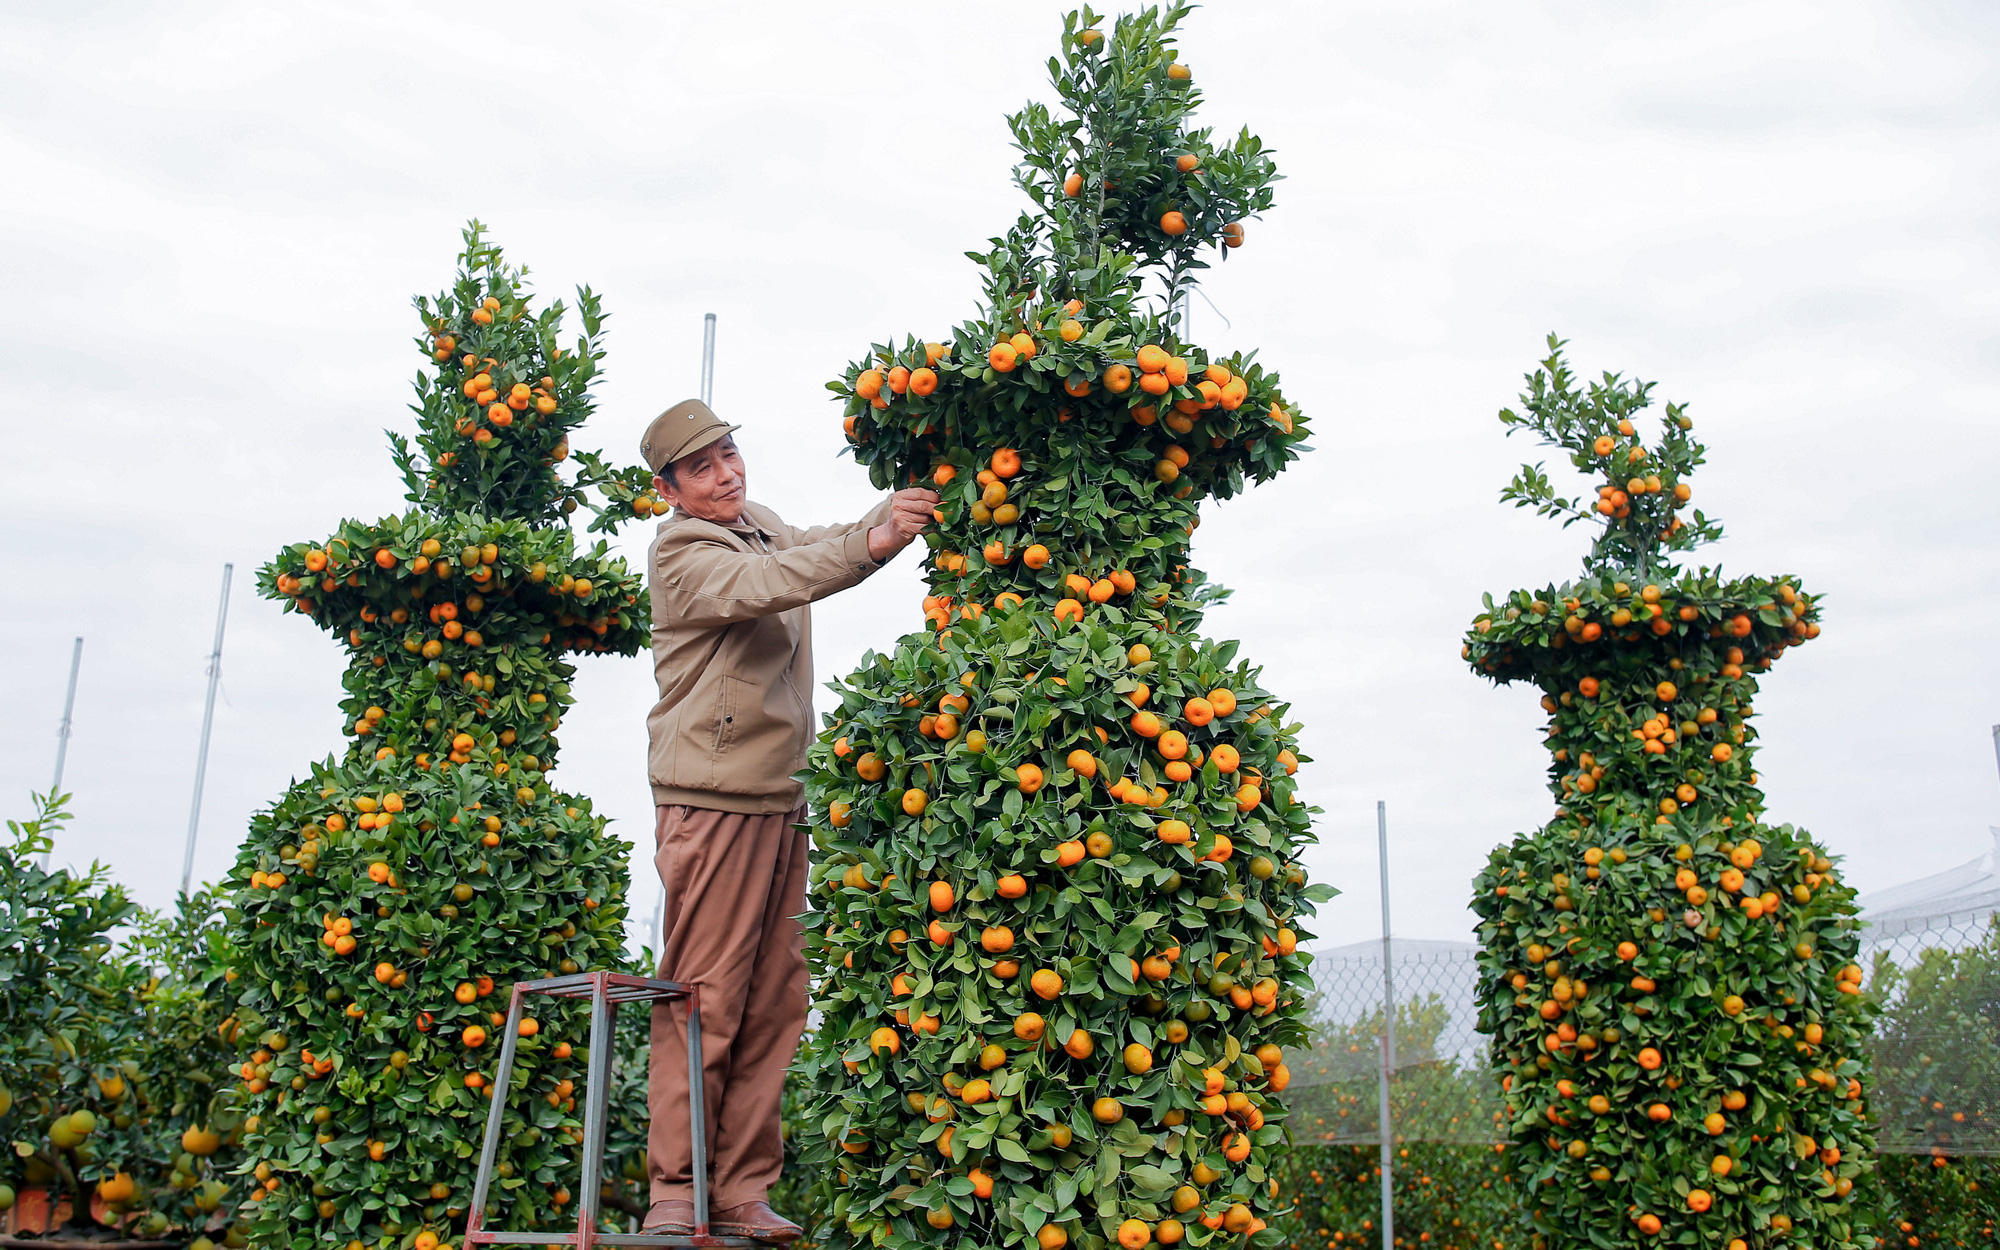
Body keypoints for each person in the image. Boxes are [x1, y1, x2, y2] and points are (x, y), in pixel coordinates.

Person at [636, 398, 937, 1242]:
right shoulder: (684, 554)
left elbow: (807, 548)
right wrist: (870, 545)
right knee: (705, 997)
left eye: (729, 454)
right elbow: (777, 582)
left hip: (780, 797)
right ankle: (675, 1190)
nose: (727, 474)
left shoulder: (756, 523)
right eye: (703, 468)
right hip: (712, 800)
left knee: (773, 1000)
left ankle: (739, 1189)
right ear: (670, 490)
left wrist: (890, 514)